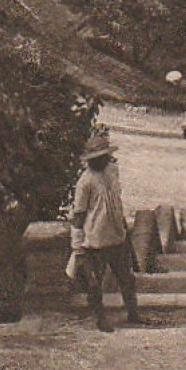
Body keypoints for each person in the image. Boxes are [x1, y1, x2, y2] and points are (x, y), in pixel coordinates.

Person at [70, 131, 143, 333]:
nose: (100, 161)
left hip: (117, 235)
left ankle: (133, 313)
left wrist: (124, 228)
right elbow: (78, 215)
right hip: (95, 241)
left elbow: (117, 202)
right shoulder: (85, 182)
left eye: (103, 157)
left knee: (126, 278)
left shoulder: (113, 171)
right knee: (95, 283)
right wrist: (77, 246)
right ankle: (100, 319)